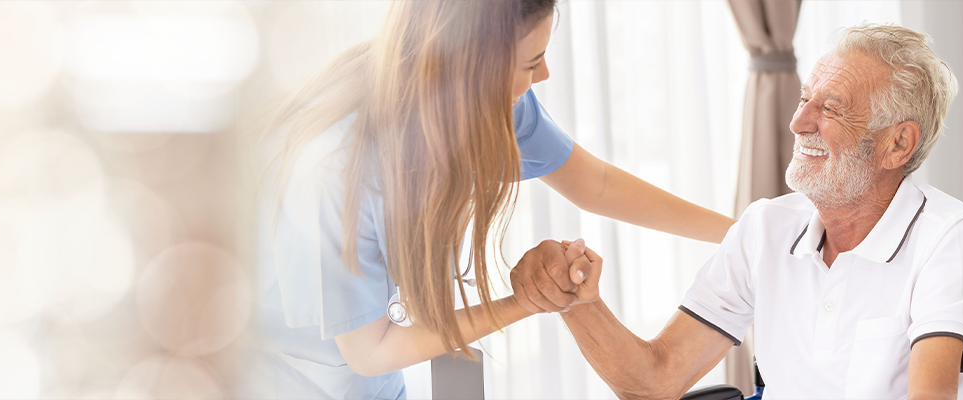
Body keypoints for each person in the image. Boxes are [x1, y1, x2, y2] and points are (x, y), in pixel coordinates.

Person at [250, 0, 735, 398]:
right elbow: (370, 350)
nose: (543, 75)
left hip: (375, 382)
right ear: (467, 65)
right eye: (530, 62)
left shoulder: (493, 106)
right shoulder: (339, 169)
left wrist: (745, 232)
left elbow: (598, 185)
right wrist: (528, 300)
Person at [515, 24, 963, 399]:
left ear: (897, 144)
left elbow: (931, 394)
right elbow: (656, 382)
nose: (797, 121)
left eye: (830, 107)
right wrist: (580, 302)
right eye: (805, 98)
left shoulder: (947, 233)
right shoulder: (765, 227)